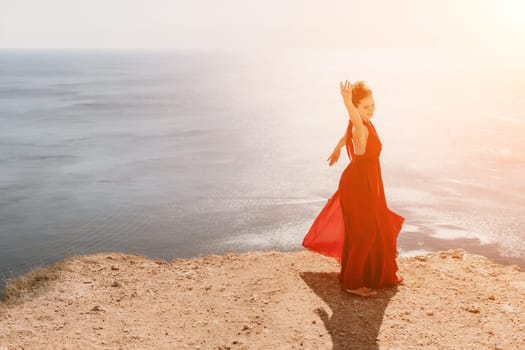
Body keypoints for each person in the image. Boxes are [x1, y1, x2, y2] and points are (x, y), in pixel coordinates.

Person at [302, 80, 405, 297]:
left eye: (372, 105)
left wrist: (338, 148)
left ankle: (366, 275)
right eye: (365, 107)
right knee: (365, 233)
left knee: (371, 228)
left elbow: (347, 133)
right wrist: (346, 100)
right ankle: (353, 283)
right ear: (356, 109)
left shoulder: (365, 125)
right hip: (360, 184)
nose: (371, 110)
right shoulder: (360, 125)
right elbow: (354, 123)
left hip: (365, 181)